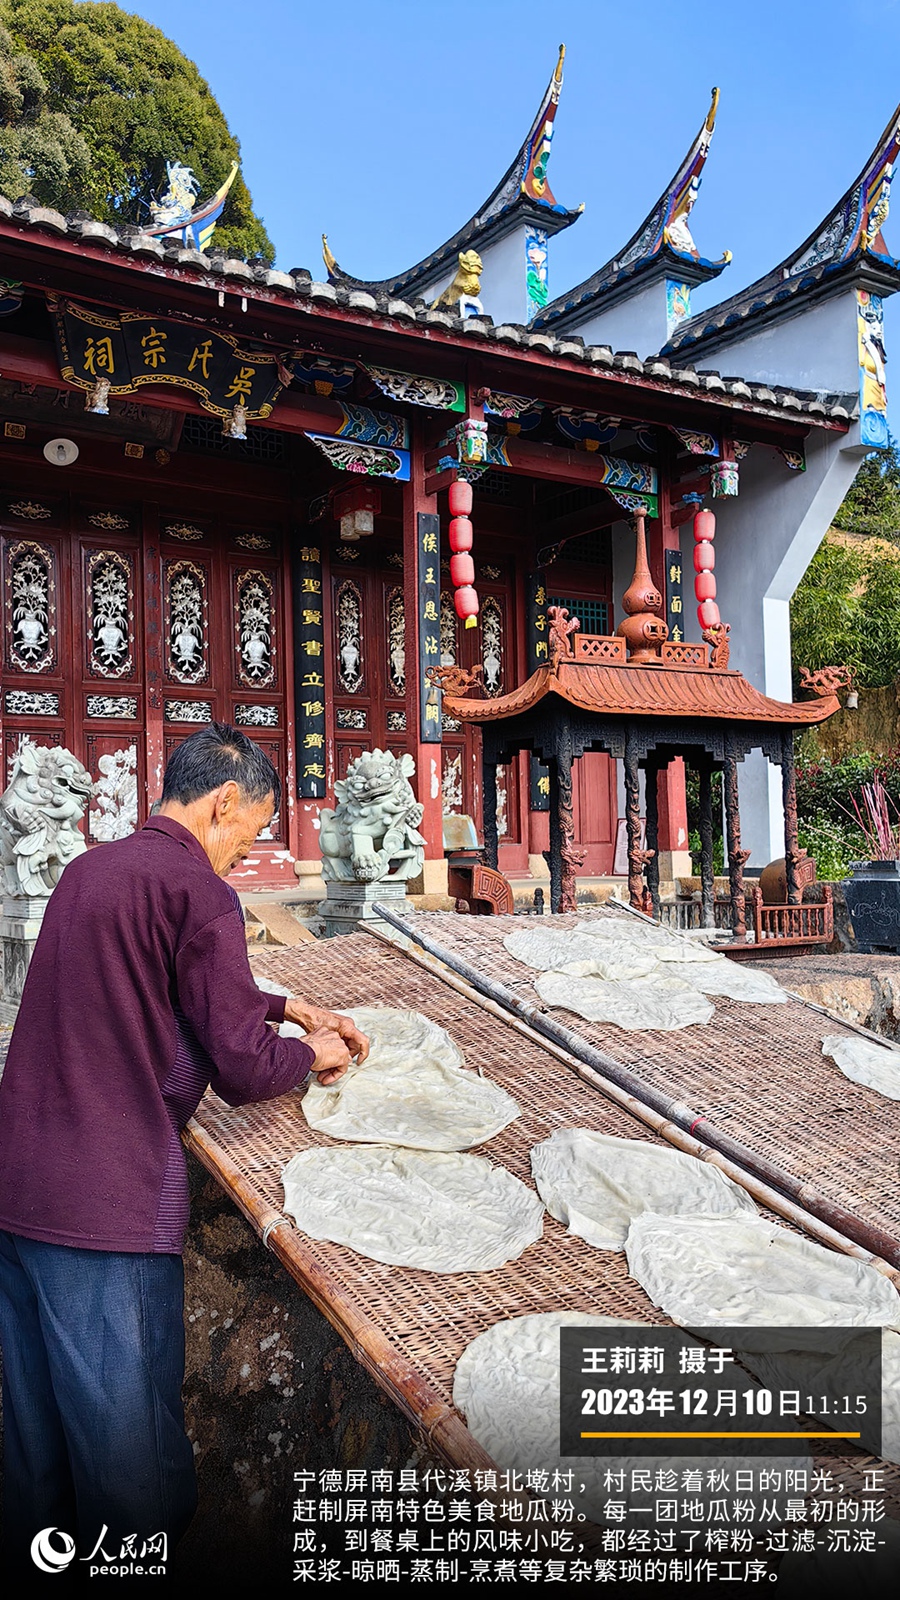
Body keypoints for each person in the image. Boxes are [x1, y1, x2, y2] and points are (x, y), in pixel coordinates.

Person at [0, 723, 370, 1576]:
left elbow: (149, 980)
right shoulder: (199, 890)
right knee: (128, 1467)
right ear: (225, 801)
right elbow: (242, 1066)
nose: (246, 853)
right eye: (252, 832)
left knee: (35, 1454)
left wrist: (282, 1005)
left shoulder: (90, 871)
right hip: (106, 1212)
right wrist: (313, 1051)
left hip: (20, 1196)